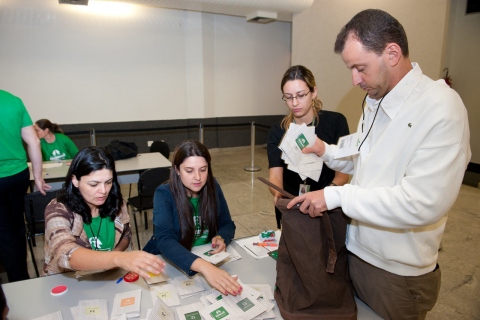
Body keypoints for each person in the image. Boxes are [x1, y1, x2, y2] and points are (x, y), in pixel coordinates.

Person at [287, 9, 471, 319]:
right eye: (351, 69)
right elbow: (364, 150)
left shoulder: (441, 107)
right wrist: (326, 151)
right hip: (356, 252)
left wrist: (334, 195)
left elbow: (421, 203)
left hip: (395, 276)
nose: (355, 79)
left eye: (360, 67)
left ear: (392, 53)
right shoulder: (376, 99)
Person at [43, 146, 165, 279]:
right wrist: (117, 258)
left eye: (108, 182)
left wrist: (115, 256)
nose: (103, 191)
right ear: (75, 181)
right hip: (72, 281)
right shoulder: (57, 209)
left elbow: (126, 233)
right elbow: (64, 252)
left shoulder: (116, 202)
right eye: (94, 184)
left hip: (109, 277)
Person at [143, 140, 241, 296]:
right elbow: (165, 240)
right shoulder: (164, 193)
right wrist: (204, 267)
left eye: (203, 169)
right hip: (176, 262)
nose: (198, 177)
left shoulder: (213, 186)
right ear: (176, 169)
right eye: (189, 170)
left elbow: (227, 223)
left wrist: (222, 237)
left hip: (205, 255)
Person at [267, 65, 350, 227]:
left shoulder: (335, 122)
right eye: (288, 97)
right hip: (293, 206)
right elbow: (275, 176)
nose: (294, 103)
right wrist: (279, 194)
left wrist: (325, 195)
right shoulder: (278, 131)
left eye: (301, 95)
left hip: (327, 205)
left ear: (314, 92)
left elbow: (343, 175)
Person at [0, 90, 50, 283]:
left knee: (4, 232)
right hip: (18, 175)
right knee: (16, 227)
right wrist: (37, 176)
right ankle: (20, 276)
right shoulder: (13, 101)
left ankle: (15, 279)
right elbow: (34, 142)